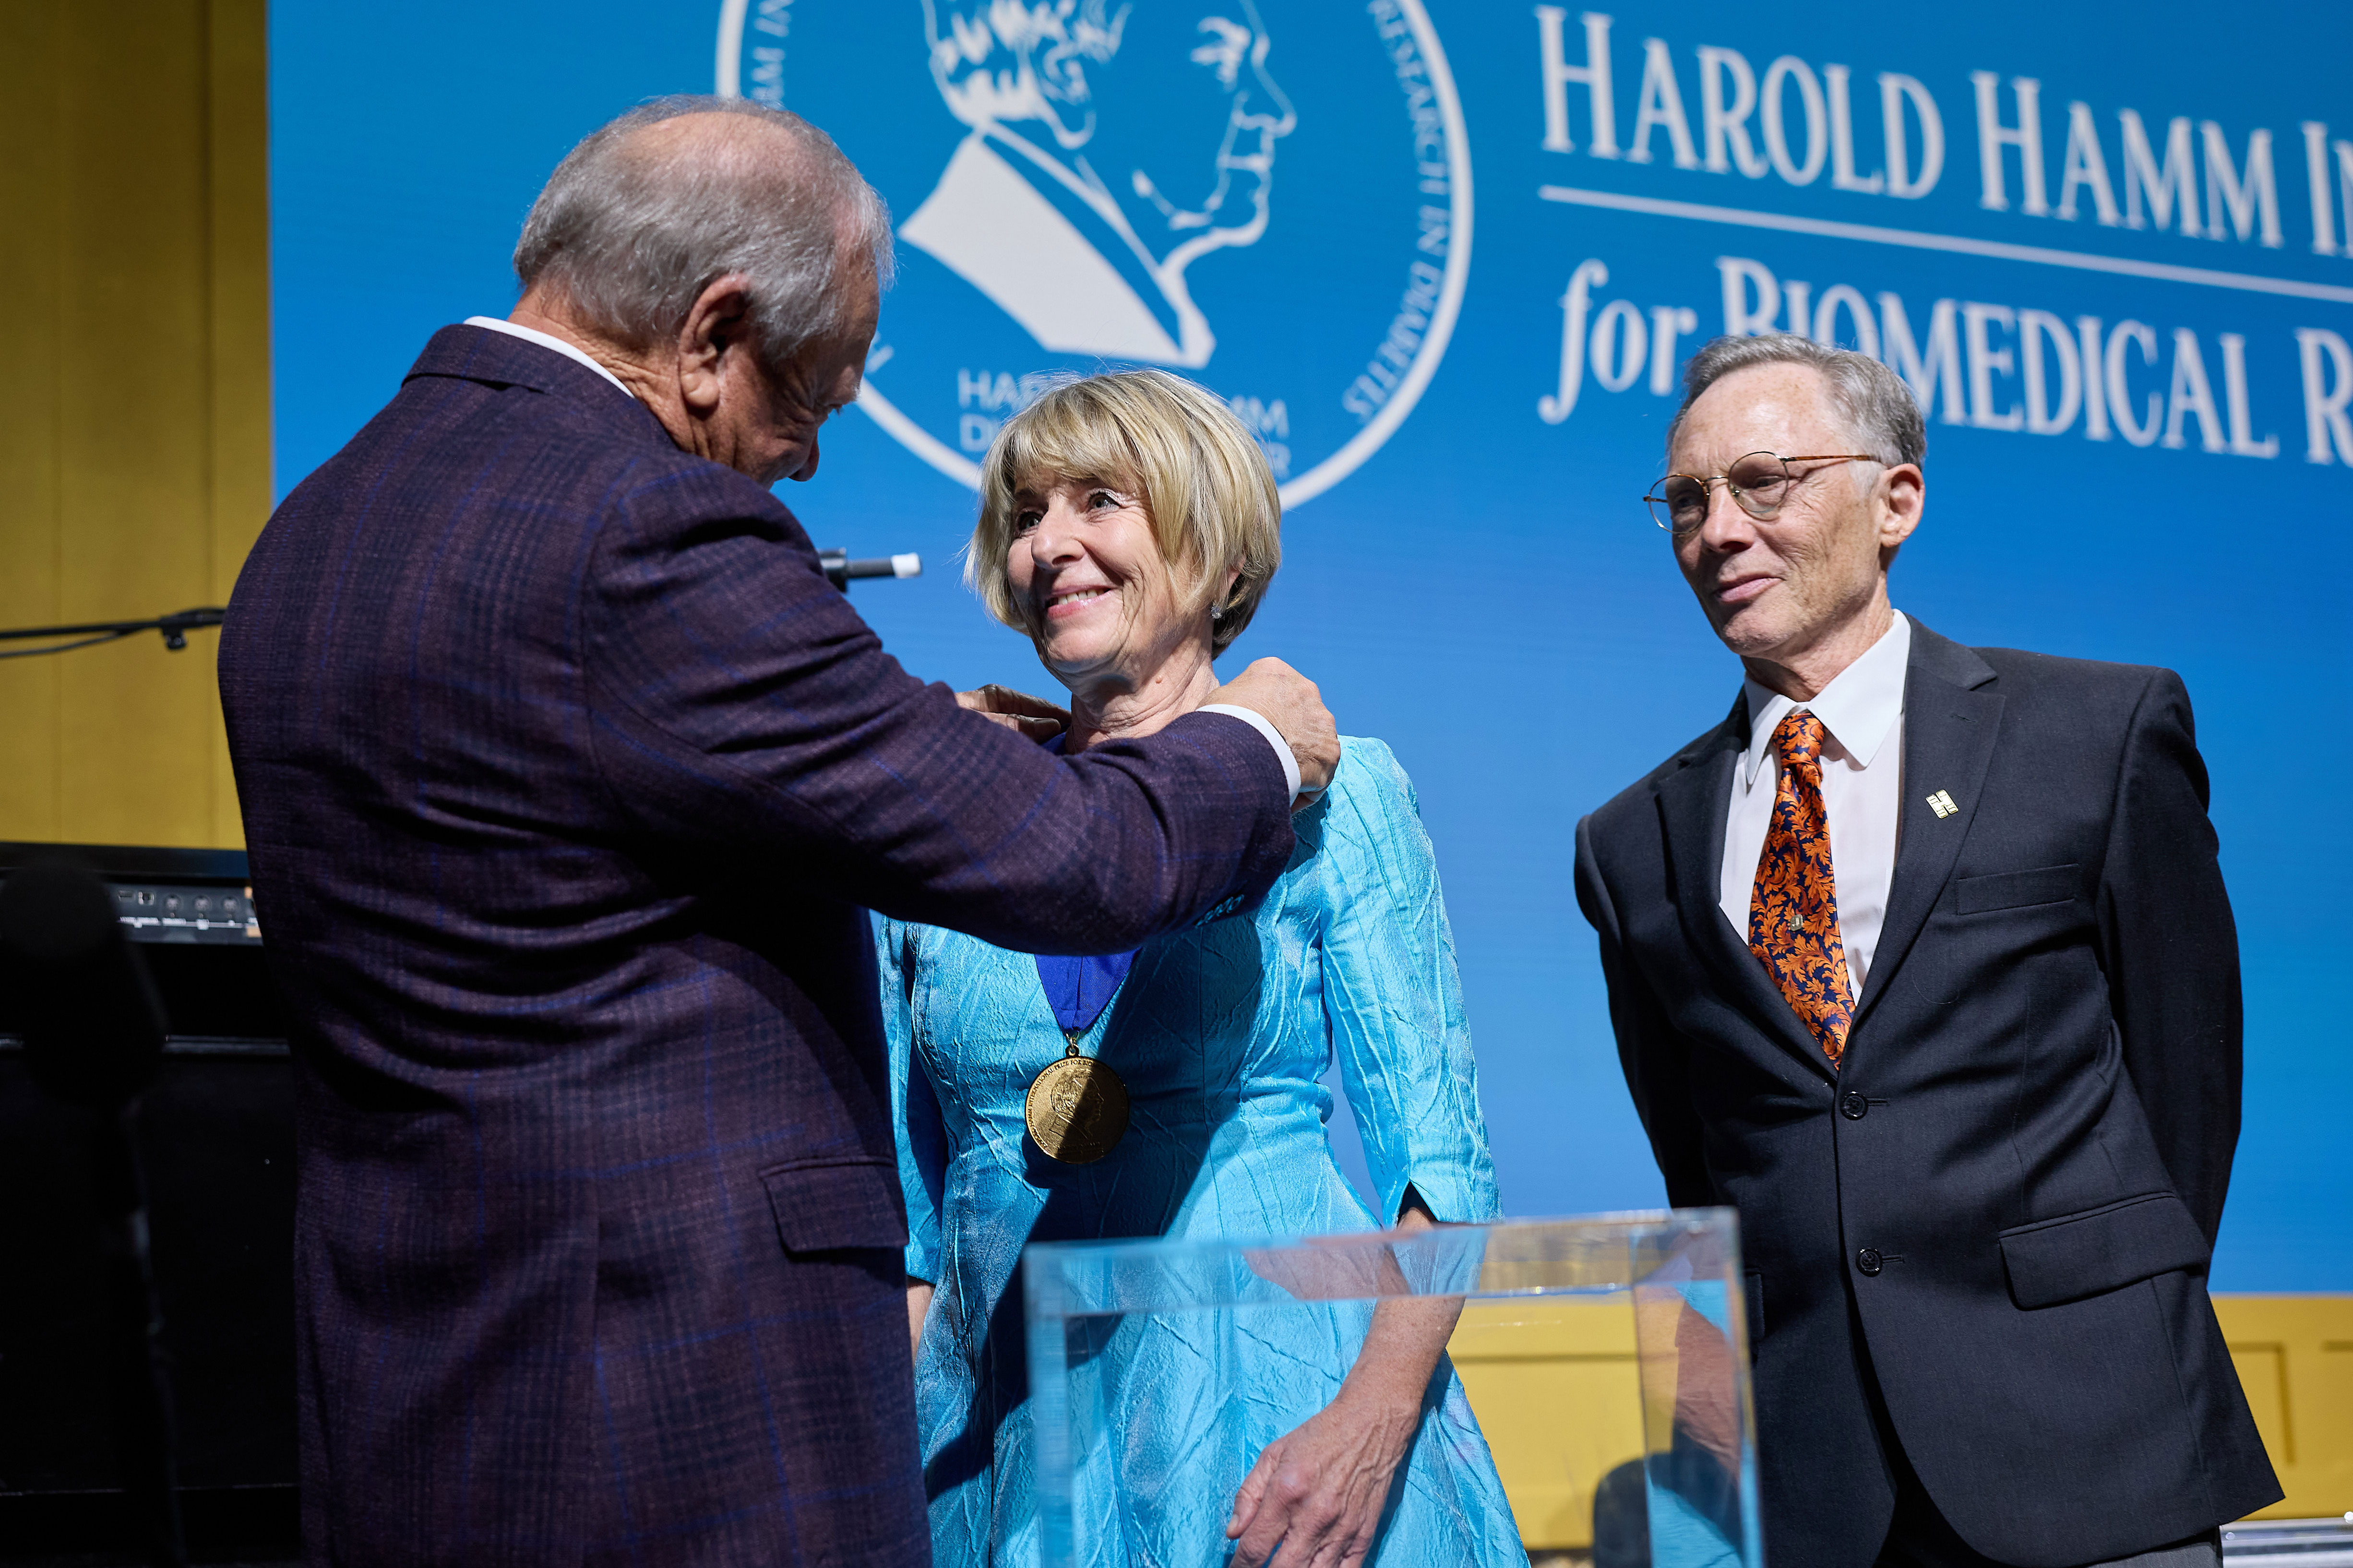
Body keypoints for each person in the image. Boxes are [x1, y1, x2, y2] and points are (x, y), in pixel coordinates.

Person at [216, 98, 1340, 1568]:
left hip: (412, 1391)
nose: (805, 458)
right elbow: (1087, 860)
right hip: (670, 1410)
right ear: (713, 332)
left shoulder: (312, 533)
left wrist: (875, 741)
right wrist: (1257, 739)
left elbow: (567, 823)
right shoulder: (650, 531)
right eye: (812, 394)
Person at [1573, 334, 2281, 1568]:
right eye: (1686, 500)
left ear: (1894, 500)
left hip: (2096, 1437)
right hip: (1818, 1483)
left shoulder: (2095, 734)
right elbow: (1702, 1160)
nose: (1718, 531)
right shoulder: (1631, 842)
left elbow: (2187, 1076)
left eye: (1764, 481)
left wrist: (2117, 1310)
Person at [877, 369, 1525, 1568]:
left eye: (1098, 501)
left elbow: (1439, 1169)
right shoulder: (938, 820)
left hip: (1289, 1428)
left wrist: (1369, 1428)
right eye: (1025, 514)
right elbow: (904, 1224)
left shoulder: (1341, 792)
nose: (1049, 544)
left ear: (1219, 557)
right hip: (1001, 1444)